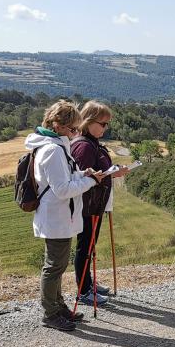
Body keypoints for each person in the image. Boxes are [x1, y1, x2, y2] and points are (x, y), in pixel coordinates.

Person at [24, 100, 107, 332]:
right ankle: (50, 312)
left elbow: (66, 177)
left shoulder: (55, 145)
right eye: (72, 130)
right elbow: (62, 189)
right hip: (56, 217)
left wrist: (83, 173)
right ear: (58, 125)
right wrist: (90, 181)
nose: (74, 134)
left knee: (58, 265)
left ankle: (58, 306)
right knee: (53, 266)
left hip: (61, 217)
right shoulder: (52, 150)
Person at [70, 101, 130, 307]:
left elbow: (97, 173)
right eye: (102, 124)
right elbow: (84, 176)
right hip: (87, 205)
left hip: (95, 204)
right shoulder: (84, 145)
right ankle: (83, 290)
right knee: (85, 246)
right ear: (88, 121)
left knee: (89, 246)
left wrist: (113, 172)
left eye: (107, 124)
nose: (105, 128)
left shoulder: (90, 142)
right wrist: (112, 173)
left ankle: (88, 284)